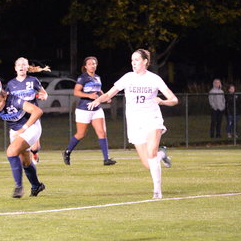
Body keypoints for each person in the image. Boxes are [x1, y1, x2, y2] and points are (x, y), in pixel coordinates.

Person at [87, 49, 177, 199]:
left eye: (136, 60)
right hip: (135, 122)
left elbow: (174, 99)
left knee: (151, 153)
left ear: (145, 61)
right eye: (132, 60)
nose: (133, 63)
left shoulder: (154, 79)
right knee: (148, 164)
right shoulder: (128, 77)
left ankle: (157, 191)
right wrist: (97, 100)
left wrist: (162, 101)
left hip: (152, 119)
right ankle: (162, 154)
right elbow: (108, 94)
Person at [0, 79, 46, 198]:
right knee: (25, 161)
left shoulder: (14, 100)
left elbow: (37, 111)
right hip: (16, 131)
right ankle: (36, 185)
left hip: (31, 127)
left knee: (11, 151)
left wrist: (24, 128)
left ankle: (18, 187)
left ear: (5, 97)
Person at [62, 56, 116, 166]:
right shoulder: (83, 78)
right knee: (81, 134)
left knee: (102, 132)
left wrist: (106, 96)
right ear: (85, 66)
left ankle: (106, 159)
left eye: (94, 63)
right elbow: (76, 92)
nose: (92, 65)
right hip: (84, 109)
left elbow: (98, 90)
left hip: (96, 108)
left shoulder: (97, 77)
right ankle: (67, 152)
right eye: (90, 64)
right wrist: (89, 95)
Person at [5, 57, 49, 163]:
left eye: (24, 64)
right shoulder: (10, 84)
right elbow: (6, 99)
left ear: (27, 67)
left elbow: (44, 93)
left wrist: (43, 96)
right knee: (20, 147)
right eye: (19, 65)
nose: (21, 66)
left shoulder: (33, 80)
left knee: (35, 147)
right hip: (18, 119)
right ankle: (26, 163)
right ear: (15, 68)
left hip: (32, 117)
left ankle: (34, 153)